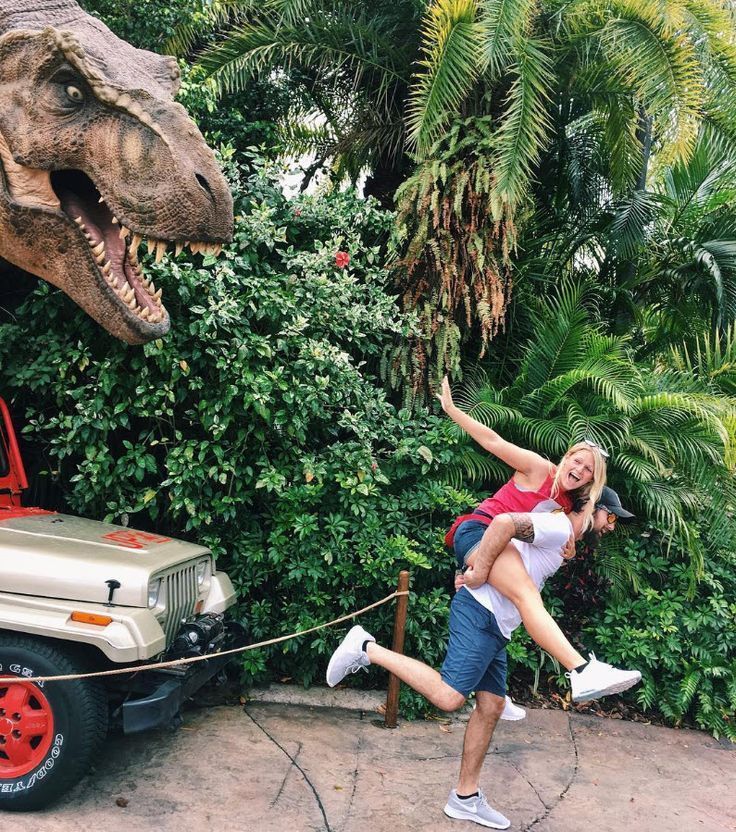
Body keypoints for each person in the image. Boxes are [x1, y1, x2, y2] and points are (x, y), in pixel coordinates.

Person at [325, 489, 641, 830]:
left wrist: (473, 568)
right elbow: (501, 525)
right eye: (610, 517)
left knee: (490, 707)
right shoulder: (559, 527)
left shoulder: (564, 534)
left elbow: (513, 549)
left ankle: (464, 798)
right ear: (594, 506)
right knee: (449, 696)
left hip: (498, 625)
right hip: (480, 613)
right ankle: (366, 648)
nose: (611, 526)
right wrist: (474, 569)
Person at [438, 375, 612, 689]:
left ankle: (495, 697)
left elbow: (565, 536)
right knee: (525, 595)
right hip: (479, 531)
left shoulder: (568, 504)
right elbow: (493, 442)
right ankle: (582, 671)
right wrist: (452, 410)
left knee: (522, 596)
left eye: (589, 471)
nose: (580, 471)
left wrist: (571, 550)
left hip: (498, 545)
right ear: (567, 457)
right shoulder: (539, 468)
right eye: (578, 461)